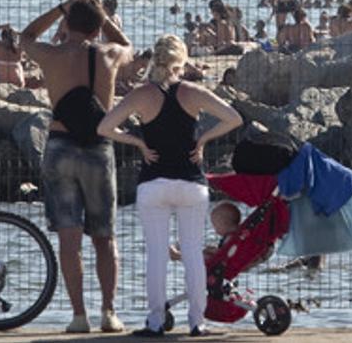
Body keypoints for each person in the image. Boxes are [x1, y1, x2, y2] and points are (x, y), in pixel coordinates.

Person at [96, 34, 243, 338]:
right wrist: (202, 139)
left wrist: (137, 141)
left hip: (154, 183)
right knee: (191, 253)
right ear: (181, 61)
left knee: (156, 254)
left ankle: (154, 322)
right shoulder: (192, 91)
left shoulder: (142, 94)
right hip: (190, 183)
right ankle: (197, 323)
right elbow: (233, 118)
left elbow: (104, 127)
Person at [18, 0, 133, 334]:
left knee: (69, 240)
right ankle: (109, 313)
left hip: (60, 145)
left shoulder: (52, 55)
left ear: (67, 25)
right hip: (98, 146)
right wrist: (102, 17)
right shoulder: (108, 53)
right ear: (97, 28)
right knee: (104, 237)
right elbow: (125, 44)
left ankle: (78, 316)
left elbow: (25, 38)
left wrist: (60, 9)